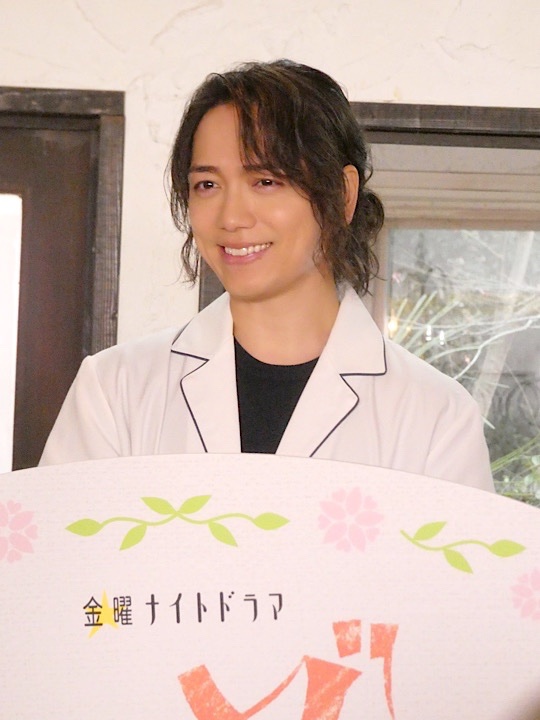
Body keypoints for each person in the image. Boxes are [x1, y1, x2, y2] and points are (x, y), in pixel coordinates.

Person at [39, 59, 494, 491]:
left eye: (266, 181)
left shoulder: (436, 415)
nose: (231, 217)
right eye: (207, 185)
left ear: (342, 195)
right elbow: (60, 543)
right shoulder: (114, 390)